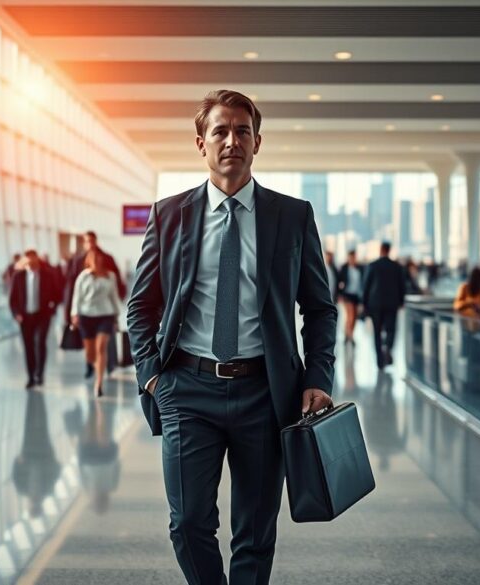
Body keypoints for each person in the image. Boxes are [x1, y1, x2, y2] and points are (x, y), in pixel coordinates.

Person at [126, 89, 336, 585]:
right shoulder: (169, 214)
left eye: (242, 131)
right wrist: (152, 376)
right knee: (188, 523)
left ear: (257, 142)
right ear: (201, 143)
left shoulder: (292, 215)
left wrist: (317, 375)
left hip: (266, 393)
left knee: (255, 531)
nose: (231, 140)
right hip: (186, 389)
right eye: (220, 131)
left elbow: (320, 308)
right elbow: (141, 306)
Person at [65, 232, 125, 378]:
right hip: (86, 309)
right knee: (90, 344)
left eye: (92, 240)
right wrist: (71, 312)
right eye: (87, 241)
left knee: (105, 341)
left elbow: (117, 279)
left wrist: (118, 300)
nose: (90, 244)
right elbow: (72, 287)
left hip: (106, 309)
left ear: (95, 241)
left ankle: (110, 365)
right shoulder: (78, 261)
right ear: (84, 243)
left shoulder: (107, 258)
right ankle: (90, 365)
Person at [71, 250, 121, 397]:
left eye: (99, 259)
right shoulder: (83, 276)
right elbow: (77, 297)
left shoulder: (110, 276)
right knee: (90, 352)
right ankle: (93, 365)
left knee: (101, 347)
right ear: (89, 260)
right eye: (94, 259)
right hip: (86, 316)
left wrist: (116, 317)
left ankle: (99, 383)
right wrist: (74, 314)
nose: (97, 262)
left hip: (105, 315)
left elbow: (114, 297)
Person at [9, 249, 60, 388]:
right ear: (25, 261)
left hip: (42, 316)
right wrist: (16, 314)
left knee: (40, 343)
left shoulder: (48, 275)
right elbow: (12, 299)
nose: (31, 263)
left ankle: (40, 373)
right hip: (25, 318)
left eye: (33, 260)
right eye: (28, 260)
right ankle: (30, 376)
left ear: (37, 260)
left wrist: (52, 309)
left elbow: (57, 294)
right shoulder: (18, 276)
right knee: (28, 346)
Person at [361, 242, 406, 369]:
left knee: (376, 331)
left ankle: (379, 360)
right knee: (391, 329)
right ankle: (388, 347)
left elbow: (366, 286)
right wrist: (401, 301)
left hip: (375, 304)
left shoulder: (373, 266)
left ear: (381, 250)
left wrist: (364, 303)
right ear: (389, 250)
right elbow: (402, 285)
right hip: (392, 303)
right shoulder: (396, 266)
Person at [336, 250, 363, 345]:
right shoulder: (344, 268)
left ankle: (349, 334)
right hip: (347, 295)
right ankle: (349, 336)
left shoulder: (359, 268)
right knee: (350, 316)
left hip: (356, 296)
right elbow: (339, 281)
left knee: (355, 317)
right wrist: (339, 294)